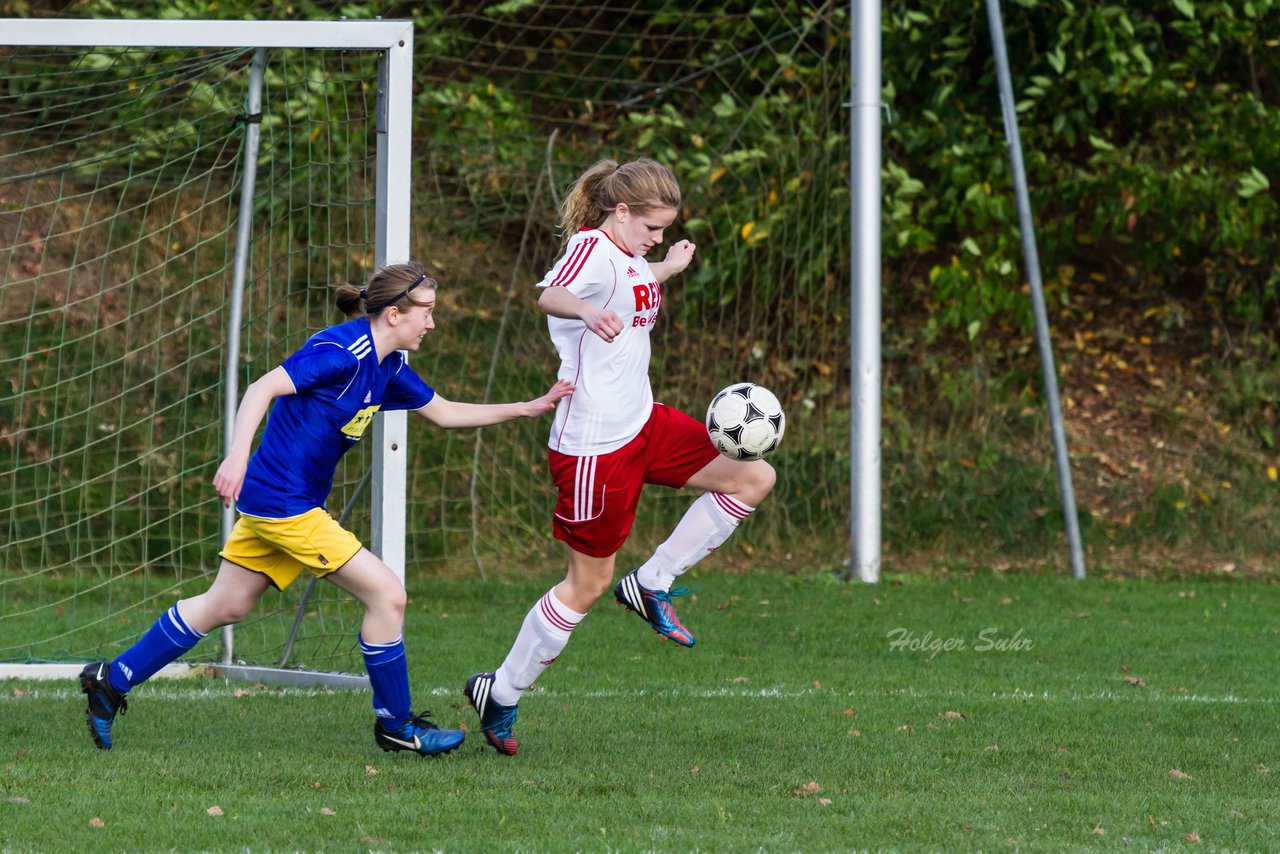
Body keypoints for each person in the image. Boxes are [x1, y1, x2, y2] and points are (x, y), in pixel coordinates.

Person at [79, 262, 572, 755]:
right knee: (387, 596)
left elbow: (443, 413)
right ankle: (397, 726)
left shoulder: (388, 366)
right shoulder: (341, 351)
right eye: (427, 312)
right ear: (395, 314)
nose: (432, 324)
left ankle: (112, 679)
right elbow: (260, 389)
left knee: (225, 604)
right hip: (285, 506)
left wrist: (526, 407)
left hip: (283, 503)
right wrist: (235, 456)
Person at [463, 158, 776, 755]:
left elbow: (630, 283)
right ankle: (500, 692)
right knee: (585, 585)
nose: (657, 237)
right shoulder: (588, 245)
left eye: (665, 230)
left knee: (753, 476)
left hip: (644, 422)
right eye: (652, 227)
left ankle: (652, 583)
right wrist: (582, 310)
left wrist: (666, 267)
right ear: (622, 211)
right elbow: (553, 293)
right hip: (594, 447)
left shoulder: (631, 255)